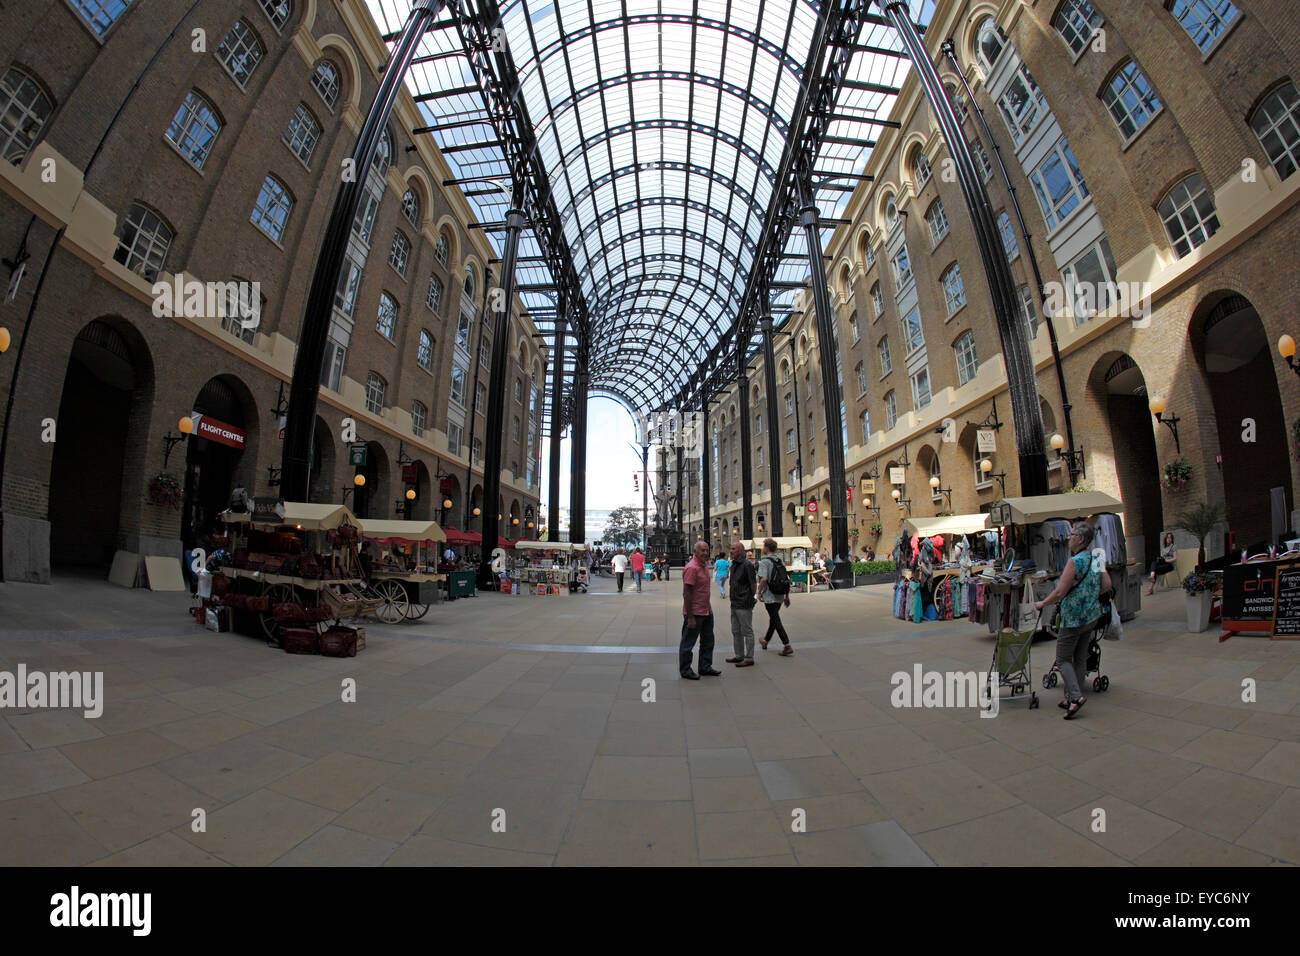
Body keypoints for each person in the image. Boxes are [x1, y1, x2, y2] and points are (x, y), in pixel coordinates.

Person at [1036, 521, 1111, 720]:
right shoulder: (1096, 557)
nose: (1068, 538)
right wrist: (1091, 595)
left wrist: (1042, 604)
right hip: (1091, 616)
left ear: (1081, 539)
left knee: (1061, 659)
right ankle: (1071, 697)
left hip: (1072, 618)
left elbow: (1060, 591)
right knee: (1079, 658)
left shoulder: (1074, 562)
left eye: (1072, 535)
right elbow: (1107, 584)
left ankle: (1076, 697)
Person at [680, 540, 720, 680]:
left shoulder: (703, 566)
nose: (705, 553)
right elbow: (687, 593)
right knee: (688, 643)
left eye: (707, 550)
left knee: (708, 640)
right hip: (695, 612)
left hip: (706, 610)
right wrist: (690, 617)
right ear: (695, 551)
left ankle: (705, 666)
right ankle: (685, 670)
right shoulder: (692, 568)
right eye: (702, 550)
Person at [757, 538, 794, 655]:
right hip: (780, 594)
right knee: (774, 618)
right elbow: (786, 579)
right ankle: (765, 641)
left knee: (775, 620)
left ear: (767, 548)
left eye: (764, 546)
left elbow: (764, 579)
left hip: (770, 594)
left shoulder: (764, 562)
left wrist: (759, 592)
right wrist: (786, 596)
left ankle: (787, 645)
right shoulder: (780, 561)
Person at [724, 540, 758, 667]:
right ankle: (739, 655)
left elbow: (753, 584)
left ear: (740, 551)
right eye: (731, 549)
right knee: (735, 630)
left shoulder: (747, 565)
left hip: (744, 603)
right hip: (734, 602)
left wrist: (751, 597)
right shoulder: (733, 565)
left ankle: (749, 657)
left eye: (733, 549)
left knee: (747, 630)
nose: (731, 551)